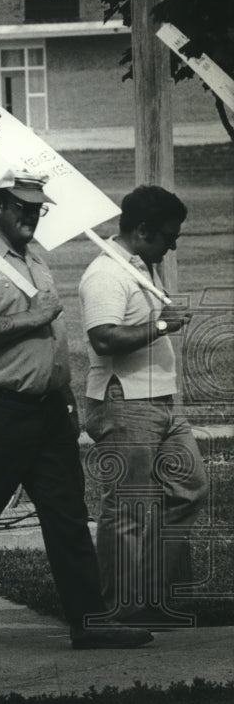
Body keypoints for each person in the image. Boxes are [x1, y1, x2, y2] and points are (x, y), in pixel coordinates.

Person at [0, 171, 153, 655]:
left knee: (67, 518)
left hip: (47, 410)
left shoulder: (35, 259)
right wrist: (33, 317)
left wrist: (63, 392)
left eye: (38, 207)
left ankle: (89, 620)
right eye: (22, 207)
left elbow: (47, 338)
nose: (32, 215)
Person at [79, 185, 206, 624]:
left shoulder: (141, 268)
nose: (174, 243)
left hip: (161, 401)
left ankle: (153, 596)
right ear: (143, 230)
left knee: (188, 489)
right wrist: (161, 326)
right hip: (125, 400)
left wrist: (160, 319)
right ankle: (121, 606)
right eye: (170, 235)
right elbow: (104, 337)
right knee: (131, 505)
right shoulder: (106, 274)